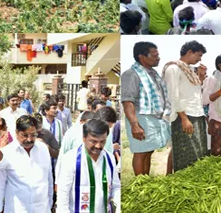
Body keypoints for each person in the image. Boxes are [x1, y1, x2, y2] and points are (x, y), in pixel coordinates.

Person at [121, 42, 170, 175]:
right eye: (155, 55)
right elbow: (127, 101)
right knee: (141, 152)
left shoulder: (153, 74)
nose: (158, 58)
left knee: (148, 151)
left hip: (152, 118)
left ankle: (145, 180)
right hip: (140, 117)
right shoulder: (131, 74)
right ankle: (139, 183)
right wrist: (135, 125)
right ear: (142, 57)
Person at [163, 41, 208, 171]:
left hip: (196, 114)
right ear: (189, 52)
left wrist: (200, 76)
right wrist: (184, 118)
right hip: (185, 115)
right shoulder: (173, 68)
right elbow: (174, 95)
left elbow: (194, 92)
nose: (200, 59)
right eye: (198, 55)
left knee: (197, 151)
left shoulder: (188, 70)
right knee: (185, 153)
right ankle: (182, 182)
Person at [57, 119, 120, 213]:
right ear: (84, 138)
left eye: (102, 141)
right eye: (93, 141)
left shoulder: (109, 158)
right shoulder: (70, 158)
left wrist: (118, 206)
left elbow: (115, 187)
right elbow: (63, 193)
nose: (98, 146)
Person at [0, 115, 53, 213]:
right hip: (17, 209)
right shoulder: (7, 153)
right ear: (16, 133)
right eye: (25, 135)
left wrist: (50, 204)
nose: (29, 139)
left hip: (42, 208)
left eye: (33, 135)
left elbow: (49, 179)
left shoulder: (43, 149)